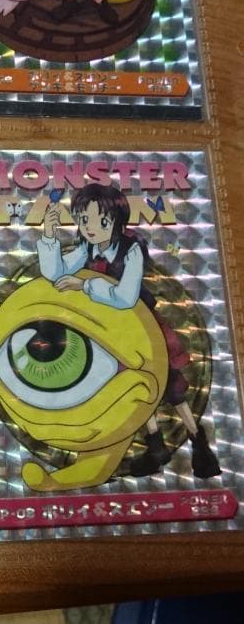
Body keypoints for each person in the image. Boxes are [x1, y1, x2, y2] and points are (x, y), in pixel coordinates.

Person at [37, 183, 220, 478]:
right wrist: (49, 235)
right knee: (136, 389)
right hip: (113, 332)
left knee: (171, 388)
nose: (91, 228)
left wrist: (84, 285)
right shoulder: (87, 247)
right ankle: (156, 448)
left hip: (144, 329)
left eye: (101, 221)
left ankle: (200, 446)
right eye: (84, 220)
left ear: (117, 221)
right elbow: (55, 272)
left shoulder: (131, 250)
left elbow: (126, 296)